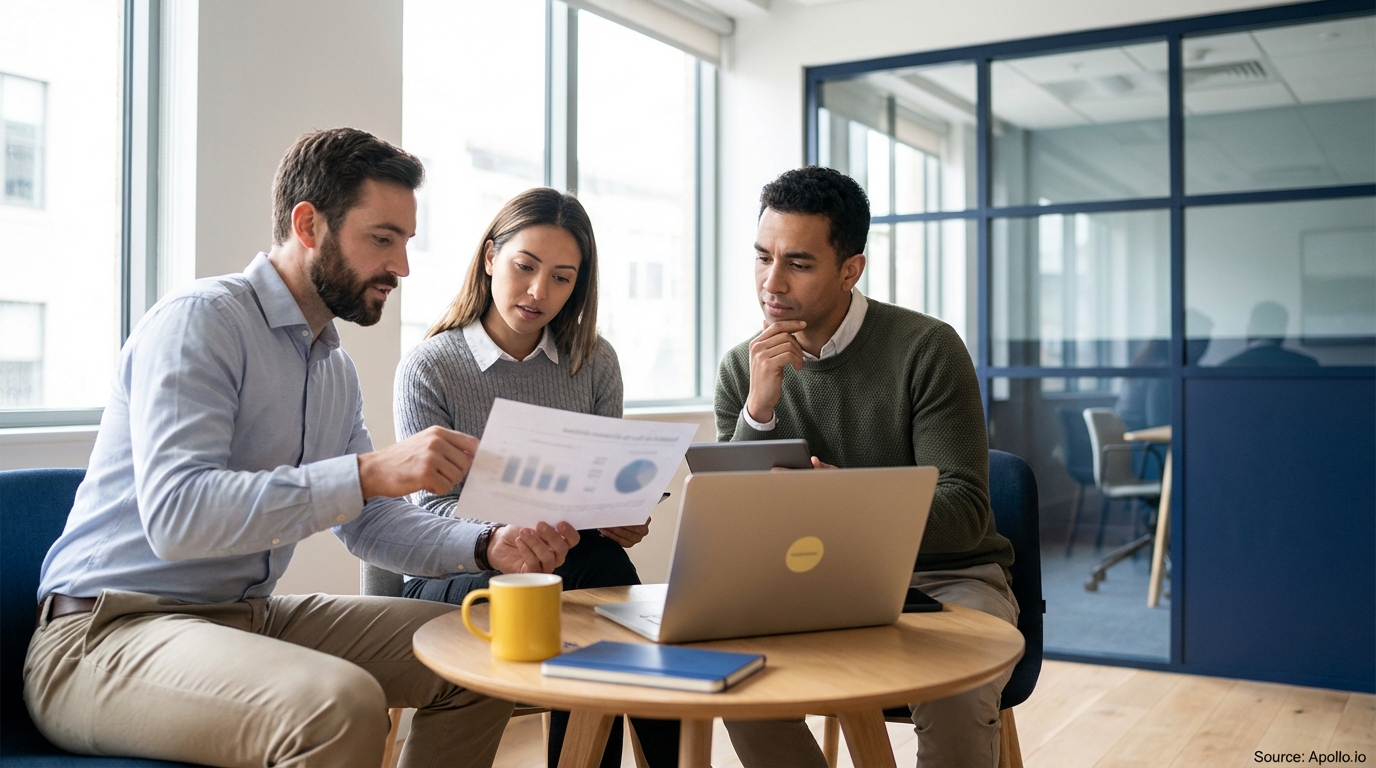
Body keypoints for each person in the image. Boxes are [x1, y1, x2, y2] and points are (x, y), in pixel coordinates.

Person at [26, 127, 580, 768]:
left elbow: (367, 520)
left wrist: (486, 544)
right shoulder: (202, 322)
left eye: (405, 242)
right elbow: (179, 517)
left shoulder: (330, 368)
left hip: (243, 614)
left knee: (484, 655)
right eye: (382, 239)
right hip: (104, 634)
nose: (401, 266)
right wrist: (368, 471)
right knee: (337, 703)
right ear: (309, 224)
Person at [715, 166, 1017, 767]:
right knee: (725, 671)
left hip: (944, 579)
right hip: (810, 581)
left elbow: (963, 512)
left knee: (954, 692)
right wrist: (760, 408)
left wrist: (846, 505)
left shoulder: (927, 349)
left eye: (798, 263)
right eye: (761, 257)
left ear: (850, 269)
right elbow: (728, 526)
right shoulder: (743, 368)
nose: (771, 282)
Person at [393, 187, 678, 768]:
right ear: (490, 256)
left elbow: (605, 480)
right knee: (580, 606)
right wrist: (508, 530)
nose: (538, 292)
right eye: (525, 267)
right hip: (457, 567)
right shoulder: (432, 365)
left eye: (562, 278)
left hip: (572, 557)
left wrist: (621, 513)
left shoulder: (593, 361)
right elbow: (427, 514)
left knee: (648, 629)